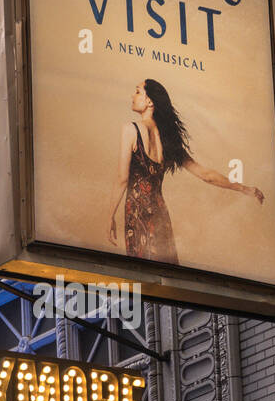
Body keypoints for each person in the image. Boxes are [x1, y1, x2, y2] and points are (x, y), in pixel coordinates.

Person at [108, 78, 264, 263]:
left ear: (150, 101)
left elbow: (122, 179)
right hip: (160, 215)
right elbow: (206, 175)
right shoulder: (168, 141)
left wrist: (110, 216)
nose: (132, 96)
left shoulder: (130, 130)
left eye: (137, 91)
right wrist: (245, 189)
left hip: (138, 214)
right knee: (166, 272)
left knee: (143, 275)